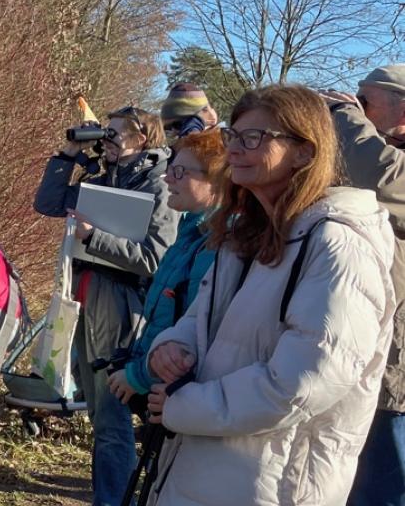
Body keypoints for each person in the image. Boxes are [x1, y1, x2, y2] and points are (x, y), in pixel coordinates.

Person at [144, 85, 396, 505]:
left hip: (272, 484)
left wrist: (183, 405)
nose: (235, 149)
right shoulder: (244, 232)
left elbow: (304, 383)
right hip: (201, 467)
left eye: (254, 137)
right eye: (233, 135)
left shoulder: (338, 245)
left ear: (304, 152)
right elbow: (200, 319)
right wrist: (170, 346)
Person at [33, 106, 179, 506]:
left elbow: (156, 257)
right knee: (99, 416)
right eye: (106, 133)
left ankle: (116, 500)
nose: (107, 140)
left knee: (112, 419)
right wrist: (68, 156)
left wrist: (94, 237)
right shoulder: (103, 176)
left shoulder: (158, 184)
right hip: (82, 292)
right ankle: (110, 496)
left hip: (120, 300)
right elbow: (47, 202)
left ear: (142, 139)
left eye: (115, 134)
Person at [320, 64, 405, 506]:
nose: (356, 108)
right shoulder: (368, 149)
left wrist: (344, 117)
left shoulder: (380, 158)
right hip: (354, 343)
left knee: (383, 484)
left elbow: (383, 178)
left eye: (365, 102)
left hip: (395, 371)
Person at [107, 130, 225, 406]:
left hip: (177, 393)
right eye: (171, 168)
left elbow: (194, 334)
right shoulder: (190, 233)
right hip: (163, 386)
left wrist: (139, 376)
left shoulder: (217, 246)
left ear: (217, 181)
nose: (167, 177)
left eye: (180, 171)